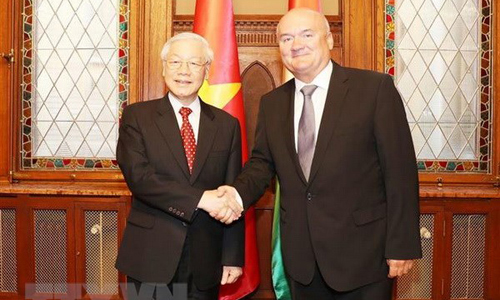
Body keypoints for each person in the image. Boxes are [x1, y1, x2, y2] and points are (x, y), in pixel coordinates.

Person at [216, 8, 422, 300]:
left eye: (306, 34)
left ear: (329, 40)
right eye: (286, 38)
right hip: (302, 259)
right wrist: (234, 196)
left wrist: (402, 245)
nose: (295, 44)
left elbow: (399, 172)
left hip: (364, 256)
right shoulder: (272, 103)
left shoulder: (374, 89)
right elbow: (262, 165)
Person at [115, 32, 245, 300]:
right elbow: (141, 179)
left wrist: (232, 256)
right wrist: (201, 199)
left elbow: (232, 190)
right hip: (150, 255)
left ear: (206, 71)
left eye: (194, 64)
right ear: (163, 68)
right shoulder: (137, 117)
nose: (184, 71)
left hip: (206, 260)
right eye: (175, 62)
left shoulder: (226, 125)